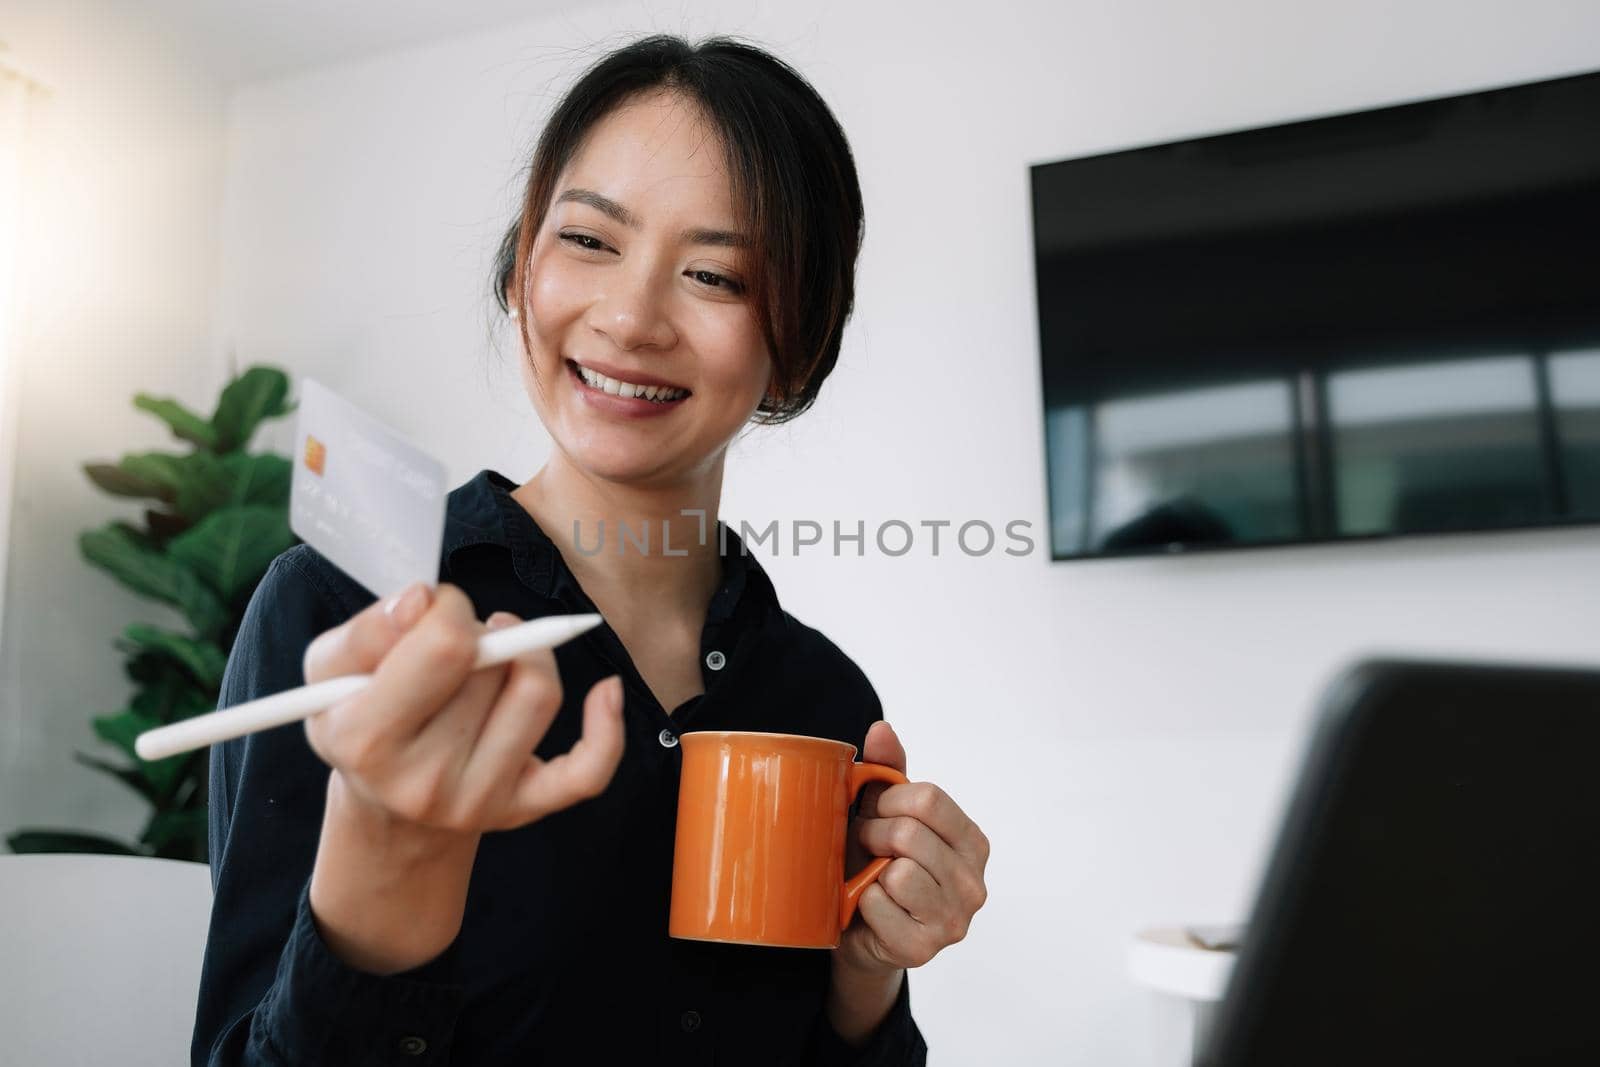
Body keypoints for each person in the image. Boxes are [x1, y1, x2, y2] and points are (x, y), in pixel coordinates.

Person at [192, 34, 990, 1066]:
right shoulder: (350, 617)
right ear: (520, 269)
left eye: (713, 273)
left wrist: (867, 978)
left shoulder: (823, 701)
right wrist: (386, 878)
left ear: (800, 338)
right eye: (588, 240)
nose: (629, 317)